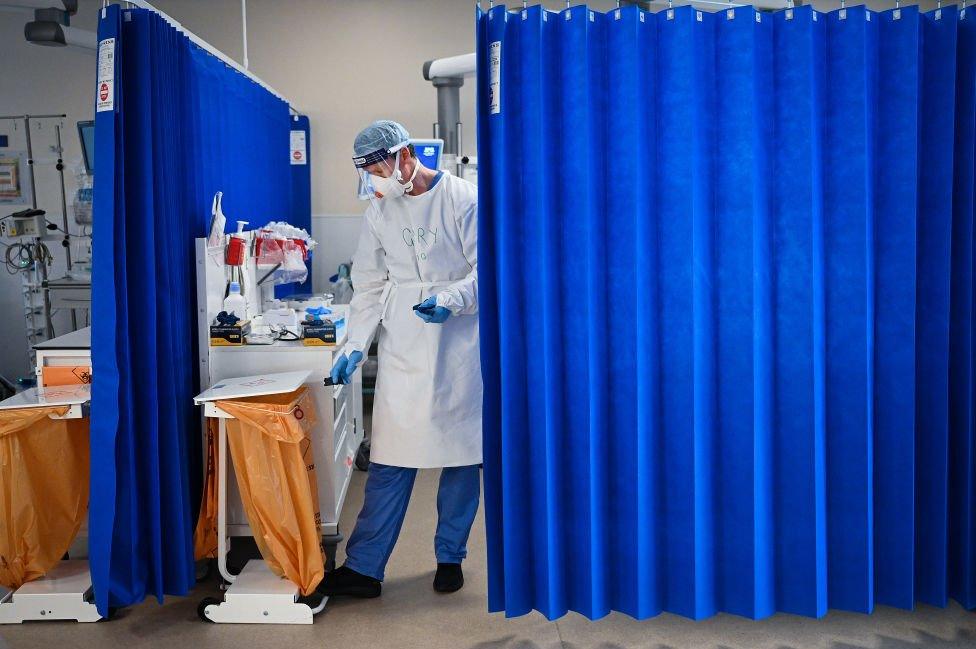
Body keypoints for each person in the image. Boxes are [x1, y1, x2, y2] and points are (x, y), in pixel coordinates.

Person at [320, 120, 481, 598]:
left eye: (379, 166)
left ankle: (450, 557)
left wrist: (451, 300)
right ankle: (365, 568)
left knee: (460, 459)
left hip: (460, 345)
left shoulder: (463, 198)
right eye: (367, 170)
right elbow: (368, 285)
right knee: (390, 458)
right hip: (404, 345)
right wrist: (353, 346)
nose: (376, 178)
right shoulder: (379, 211)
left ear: (406, 155)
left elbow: (488, 270)